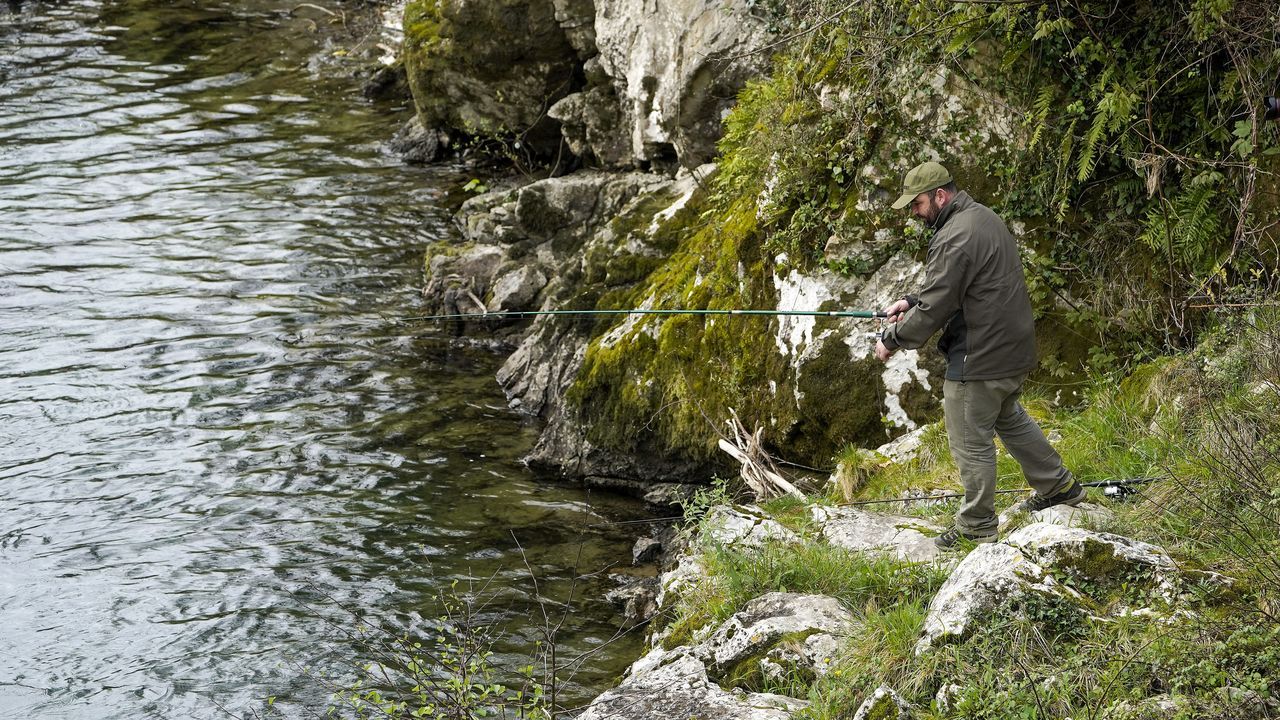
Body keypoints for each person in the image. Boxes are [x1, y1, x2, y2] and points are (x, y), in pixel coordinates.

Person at [873, 161, 1083, 548]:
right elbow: (959, 285)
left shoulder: (954, 234)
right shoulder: (982, 217)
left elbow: (938, 305)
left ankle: (977, 524)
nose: (914, 213)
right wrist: (909, 300)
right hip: (1011, 347)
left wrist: (893, 339)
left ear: (940, 195)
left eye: (917, 204)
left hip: (980, 353)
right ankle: (1060, 487)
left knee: (969, 438)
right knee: (1010, 418)